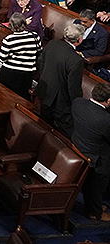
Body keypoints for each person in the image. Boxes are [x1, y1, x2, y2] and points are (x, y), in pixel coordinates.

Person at [71, 82, 110, 221]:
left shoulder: (78, 103)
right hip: (97, 159)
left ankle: (96, 206)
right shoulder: (105, 120)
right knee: (97, 184)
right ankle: (95, 212)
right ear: (108, 100)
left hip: (77, 149)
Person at [36, 25, 84, 136]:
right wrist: (77, 105)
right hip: (60, 100)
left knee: (44, 126)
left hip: (45, 90)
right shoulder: (76, 60)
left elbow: (41, 63)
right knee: (67, 132)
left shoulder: (52, 44)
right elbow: (73, 86)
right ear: (80, 39)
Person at [0, 13, 41, 98]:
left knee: (5, 97)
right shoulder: (35, 36)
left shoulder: (8, 39)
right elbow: (38, 51)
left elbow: (2, 58)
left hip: (10, 73)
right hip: (27, 74)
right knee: (22, 98)